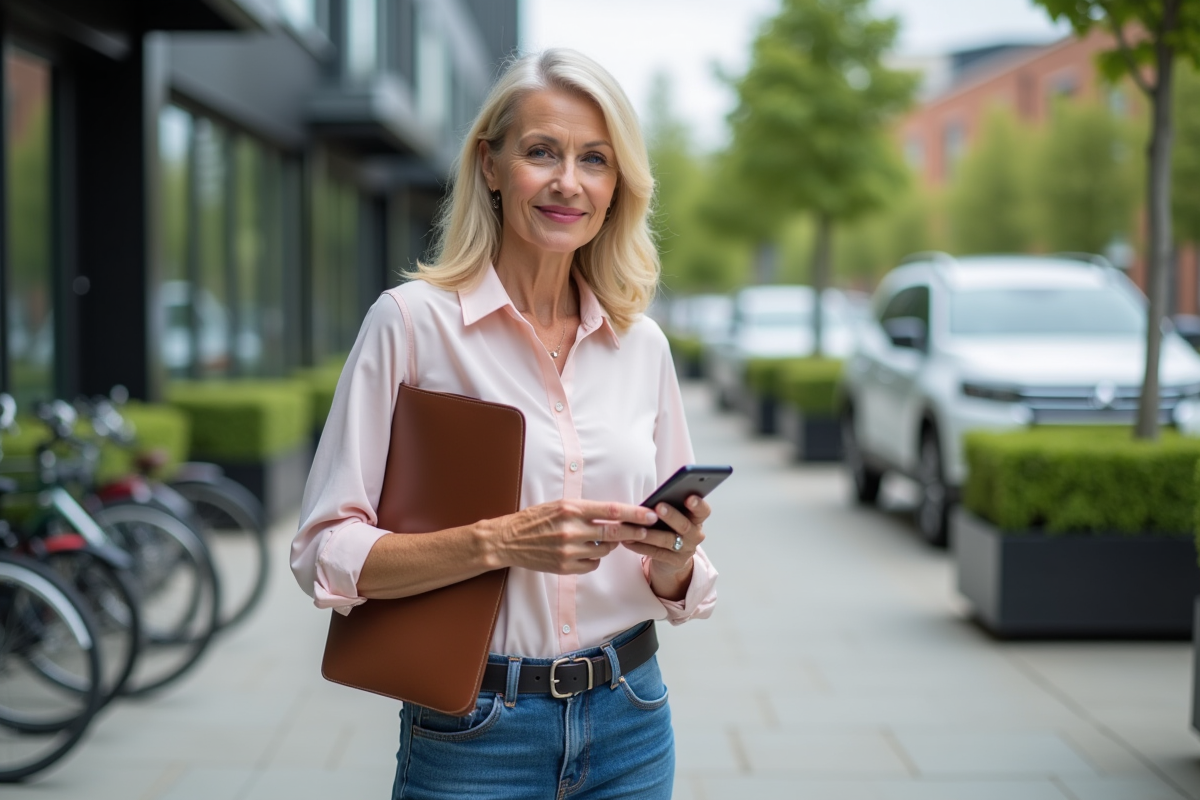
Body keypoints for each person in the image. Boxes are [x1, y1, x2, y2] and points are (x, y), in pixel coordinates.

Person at [291, 48, 718, 800]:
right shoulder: (411, 326)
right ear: (490, 165)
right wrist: (500, 541)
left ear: (617, 186)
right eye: (541, 152)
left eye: (594, 159)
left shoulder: (641, 344)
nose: (568, 182)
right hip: (475, 733)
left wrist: (674, 559)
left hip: (631, 717)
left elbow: (675, 570)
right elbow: (323, 551)